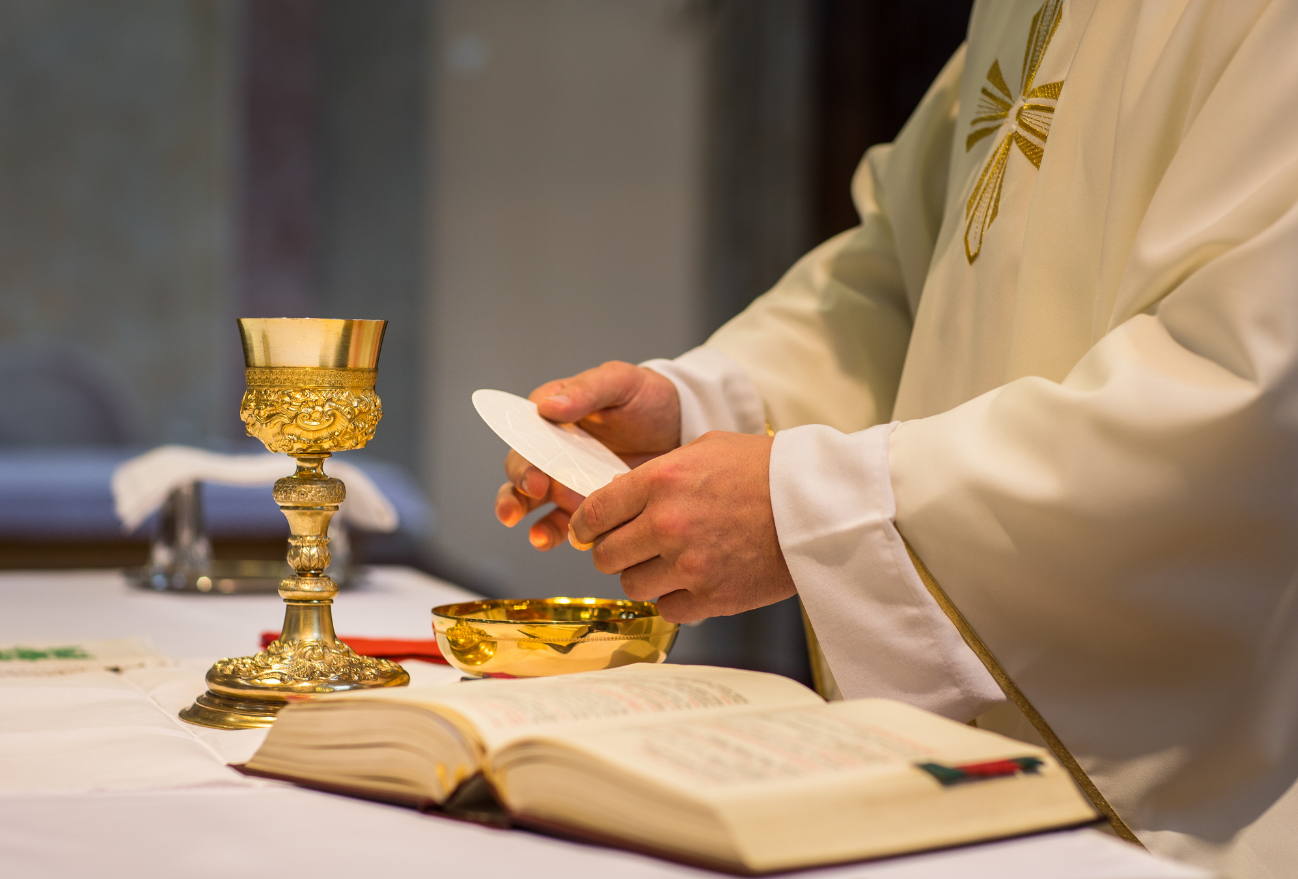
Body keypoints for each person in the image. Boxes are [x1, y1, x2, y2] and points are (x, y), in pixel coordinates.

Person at [493, 1, 1298, 875]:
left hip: (1188, 793)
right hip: (957, 785)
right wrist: (703, 411)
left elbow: (1241, 395)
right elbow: (913, 280)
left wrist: (803, 503)